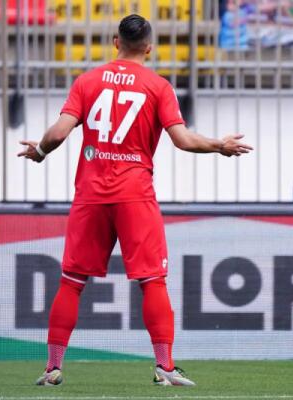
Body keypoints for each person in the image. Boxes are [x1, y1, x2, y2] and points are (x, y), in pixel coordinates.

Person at [18, 14, 252, 387]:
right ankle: (165, 367)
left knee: (71, 281)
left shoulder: (87, 81)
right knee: (152, 280)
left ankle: (52, 367)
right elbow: (183, 140)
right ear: (149, 47)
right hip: (134, 195)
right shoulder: (158, 87)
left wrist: (41, 151)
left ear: (116, 42)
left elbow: (60, 132)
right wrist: (219, 146)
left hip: (91, 195)